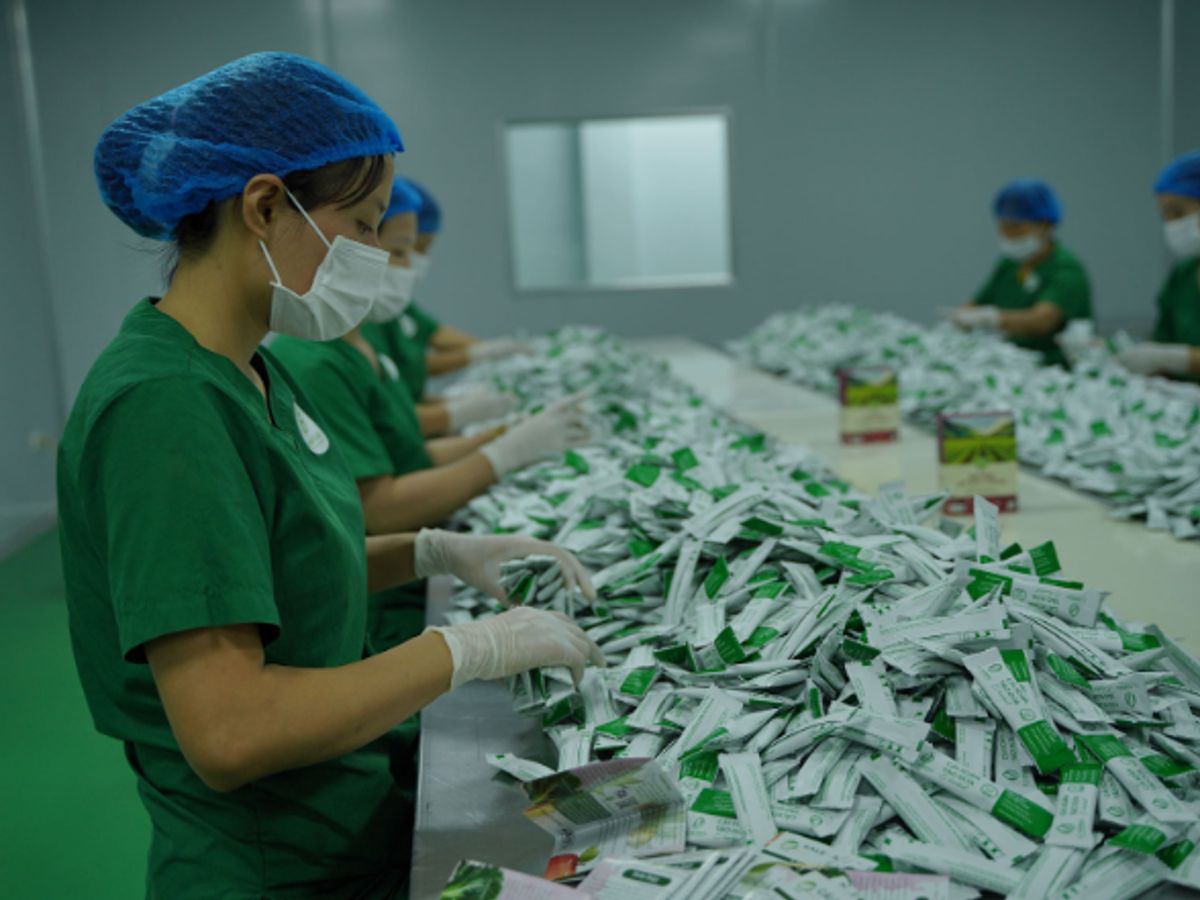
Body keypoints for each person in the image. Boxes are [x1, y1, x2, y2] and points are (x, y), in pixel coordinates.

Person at [58, 52, 602, 898]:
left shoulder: (244, 371)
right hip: (276, 865)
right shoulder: (164, 405)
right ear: (267, 206)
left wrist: (432, 552)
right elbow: (231, 731)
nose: (378, 261)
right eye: (363, 228)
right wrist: (468, 647)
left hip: (344, 817)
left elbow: (272, 565)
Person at [272, 174, 591, 652]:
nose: (406, 266)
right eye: (394, 248)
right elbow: (380, 507)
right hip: (369, 600)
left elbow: (402, 450)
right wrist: (502, 454)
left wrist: (504, 434)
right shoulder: (315, 360)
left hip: (394, 577)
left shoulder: (358, 347)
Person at [361, 180, 531, 435]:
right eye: (402, 250)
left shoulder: (385, 311)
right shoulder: (337, 344)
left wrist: (490, 353)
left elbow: (396, 403)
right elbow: (388, 426)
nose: (413, 264)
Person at [946, 179, 1092, 366]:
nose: (1008, 234)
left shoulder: (1066, 269)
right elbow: (976, 304)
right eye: (1003, 226)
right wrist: (958, 319)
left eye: (1016, 226)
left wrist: (992, 318)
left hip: (1057, 370)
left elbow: (1042, 321)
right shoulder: (1009, 265)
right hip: (1016, 364)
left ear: (1044, 225)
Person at [1116, 150, 1200, 378]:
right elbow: (1164, 339)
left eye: (1177, 212)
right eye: (1165, 216)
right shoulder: (1184, 274)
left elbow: (1166, 353)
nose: (1173, 224)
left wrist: (1174, 358)